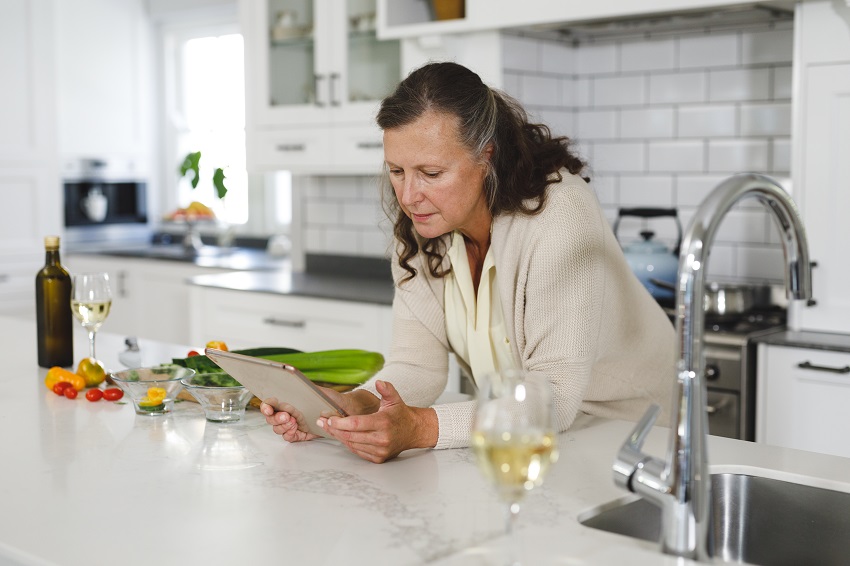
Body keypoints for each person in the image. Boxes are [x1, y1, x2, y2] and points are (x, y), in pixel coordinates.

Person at [261, 61, 676, 463]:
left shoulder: (560, 215)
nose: (408, 197)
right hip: (525, 434)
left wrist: (421, 428)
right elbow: (417, 366)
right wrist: (356, 405)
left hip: (629, 436)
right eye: (396, 171)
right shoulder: (426, 227)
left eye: (431, 172)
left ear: (487, 157)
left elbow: (554, 396)